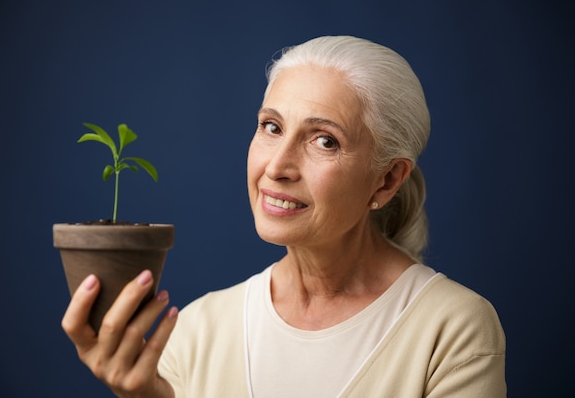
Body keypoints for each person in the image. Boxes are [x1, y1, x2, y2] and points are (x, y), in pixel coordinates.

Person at [62, 35, 506, 398]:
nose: (277, 167)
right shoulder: (197, 330)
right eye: (271, 127)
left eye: (324, 141)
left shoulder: (453, 330)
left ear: (387, 181)